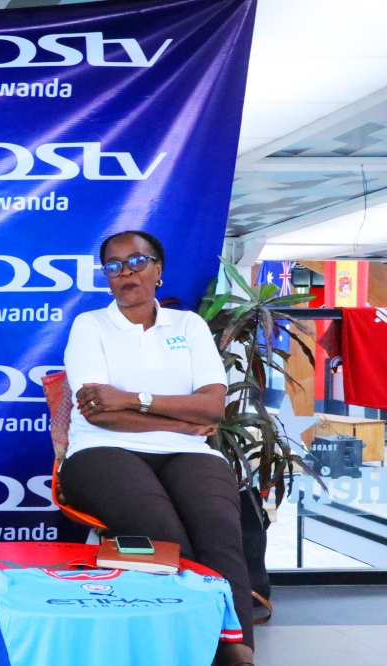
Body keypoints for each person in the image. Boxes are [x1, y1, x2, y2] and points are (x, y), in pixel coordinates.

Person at [60, 231, 255, 666]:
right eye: (114, 266)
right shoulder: (91, 325)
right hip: (102, 449)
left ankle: (237, 651)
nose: (126, 272)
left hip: (189, 451)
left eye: (137, 261)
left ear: (158, 270)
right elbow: (99, 414)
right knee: (166, 538)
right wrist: (182, 421)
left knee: (219, 532)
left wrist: (133, 398)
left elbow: (212, 407)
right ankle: (192, 649)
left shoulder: (189, 326)